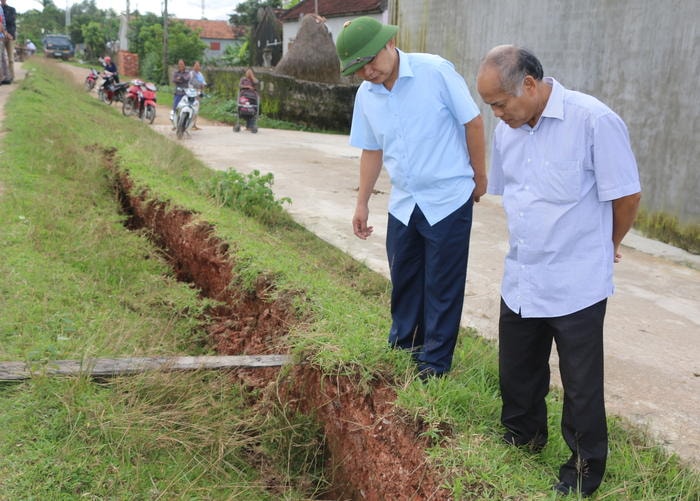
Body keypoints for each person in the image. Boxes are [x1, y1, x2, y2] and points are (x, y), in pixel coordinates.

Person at [476, 45, 641, 497]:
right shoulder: (509, 131)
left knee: (581, 387)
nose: (496, 115)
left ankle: (584, 471)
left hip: (577, 281)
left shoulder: (593, 121)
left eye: (500, 104)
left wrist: (608, 245)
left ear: (528, 84)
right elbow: (518, 198)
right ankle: (522, 438)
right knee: (518, 371)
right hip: (523, 275)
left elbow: (626, 197)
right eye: (490, 105)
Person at [335, 17, 486, 380]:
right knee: (404, 278)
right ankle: (404, 349)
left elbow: (473, 122)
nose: (368, 72)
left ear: (390, 44)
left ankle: (434, 365)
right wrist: (362, 202)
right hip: (404, 202)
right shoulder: (366, 96)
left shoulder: (435, 72)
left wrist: (480, 178)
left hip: (448, 197)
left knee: (442, 286)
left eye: (371, 61)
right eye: (359, 68)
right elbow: (371, 150)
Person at [189, 61, 206, 130]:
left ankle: (194, 124)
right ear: (193, 66)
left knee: (196, 109)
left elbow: (204, 83)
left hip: (198, 93)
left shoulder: (200, 74)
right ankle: (188, 123)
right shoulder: (191, 74)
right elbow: (189, 83)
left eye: (198, 66)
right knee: (190, 108)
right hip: (191, 93)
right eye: (196, 65)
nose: (197, 67)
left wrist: (203, 86)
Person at [0, 0, 15, 84]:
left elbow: (9, 22)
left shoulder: (11, 9)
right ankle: (5, 77)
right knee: (2, 58)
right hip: (3, 35)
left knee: (10, 59)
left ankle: (11, 77)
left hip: (9, 36)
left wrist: (7, 33)